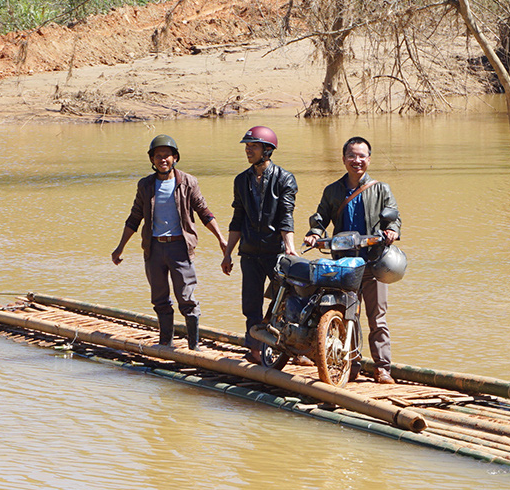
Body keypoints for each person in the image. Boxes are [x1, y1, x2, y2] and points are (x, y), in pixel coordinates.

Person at [111, 134, 228, 350]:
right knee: (160, 298)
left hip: (179, 248)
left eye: (167, 156)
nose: (162, 160)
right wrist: (120, 247)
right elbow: (135, 217)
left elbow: (204, 212)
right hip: (154, 248)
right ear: (152, 160)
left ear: (175, 157)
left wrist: (221, 239)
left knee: (187, 297)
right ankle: (166, 342)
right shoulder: (145, 185)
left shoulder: (188, 182)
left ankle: (194, 345)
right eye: (158, 156)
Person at [304, 136, 402, 384]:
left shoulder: (381, 189)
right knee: (346, 315)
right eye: (352, 156)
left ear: (368, 159)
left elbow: (394, 217)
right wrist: (315, 233)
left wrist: (392, 231)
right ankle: (350, 363)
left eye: (361, 156)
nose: (356, 161)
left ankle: (382, 368)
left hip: (373, 263)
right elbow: (320, 218)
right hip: (343, 266)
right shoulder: (333, 191)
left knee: (377, 316)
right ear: (344, 158)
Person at [220, 125, 298, 363]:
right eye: (247, 146)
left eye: (253, 146)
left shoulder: (285, 179)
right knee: (250, 303)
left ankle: (288, 348)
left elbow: (286, 215)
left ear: (268, 150)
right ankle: (255, 348)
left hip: (275, 252)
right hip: (250, 252)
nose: (248, 150)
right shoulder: (241, 180)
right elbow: (237, 219)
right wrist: (227, 253)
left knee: (283, 302)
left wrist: (289, 247)